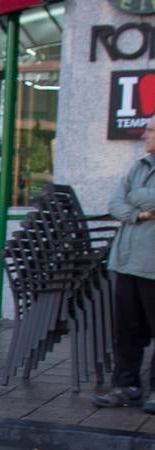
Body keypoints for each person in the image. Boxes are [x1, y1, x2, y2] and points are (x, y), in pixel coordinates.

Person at [94, 116, 155, 410]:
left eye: (151, 130)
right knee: (127, 331)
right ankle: (125, 386)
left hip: (152, 264)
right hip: (126, 261)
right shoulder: (139, 167)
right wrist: (140, 212)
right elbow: (115, 203)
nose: (145, 134)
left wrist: (135, 198)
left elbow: (130, 197)